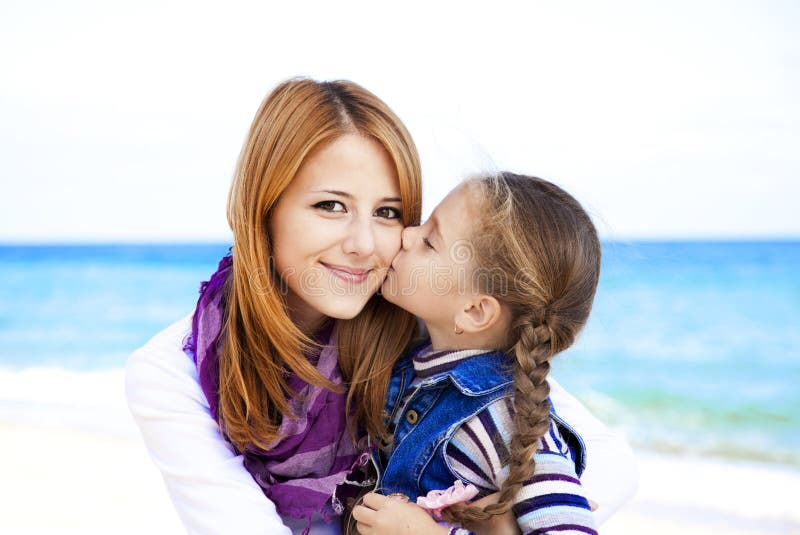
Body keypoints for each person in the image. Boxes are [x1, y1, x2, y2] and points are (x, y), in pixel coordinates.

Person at [125, 79, 637, 535]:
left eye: (389, 212)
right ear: (264, 206)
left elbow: (607, 462)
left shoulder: (432, 330)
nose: (366, 244)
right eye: (331, 206)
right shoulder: (173, 370)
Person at [351, 173, 602, 534]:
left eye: (429, 241)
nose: (407, 234)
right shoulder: (415, 362)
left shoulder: (503, 420)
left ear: (474, 312)